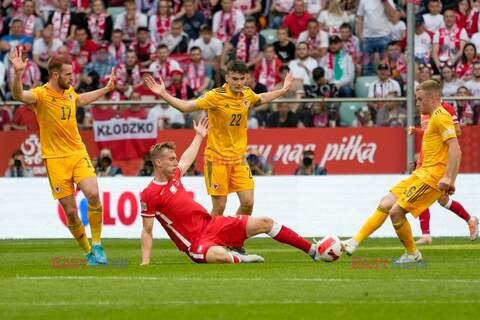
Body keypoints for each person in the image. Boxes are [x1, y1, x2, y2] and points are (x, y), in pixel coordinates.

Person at [143, 60, 293, 251]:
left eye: (242, 78)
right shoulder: (215, 96)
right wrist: (164, 94)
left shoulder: (247, 93)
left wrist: (283, 89)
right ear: (227, 78)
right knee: (219, 207)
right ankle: (208, 243)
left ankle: (235, 241)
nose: (239, 83)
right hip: (216, 159)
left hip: (238, 159)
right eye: (235, 79)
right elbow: (185, 107)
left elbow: (261, 98)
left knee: (248, 203)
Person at [140, 118, 325, 264]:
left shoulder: (175, 176)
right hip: (195, 243)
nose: (175, 161)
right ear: (158, 163)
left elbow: (187, 159)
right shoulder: (149, 194)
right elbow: (147, 231)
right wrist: (145, 263)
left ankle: (313, 251)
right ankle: (239, 258)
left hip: (212, 225)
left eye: (175, 158)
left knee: (265, 222)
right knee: (219, 255)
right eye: (171, 159)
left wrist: (199, 136)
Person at [9, 47, 112, 265]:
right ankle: (88, 253)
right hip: (55, 159)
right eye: (68, 74)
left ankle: (98, 244)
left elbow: (80, 100)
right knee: (71, 211)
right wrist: (18, 73)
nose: (71, 77)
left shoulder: (69, 92)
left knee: (93, 193)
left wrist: (105, 89)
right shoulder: (40, 95)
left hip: (77, 152)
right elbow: (18, 95)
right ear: (55, 75)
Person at [343, 80, 462, 262]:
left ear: (431, 98)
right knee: (386, 202)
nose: (417, 103)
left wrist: (448, 178)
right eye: (416, 99)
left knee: (396, 212)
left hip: (431, 177)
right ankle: (353, 241)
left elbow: (455, 149)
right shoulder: (433, 117)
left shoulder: (441, 116)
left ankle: (413, 254)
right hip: (421, 173)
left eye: (420, 99)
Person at [408, 100, 479, 244]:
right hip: (426, 158)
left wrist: (451, 178)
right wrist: (418, 131)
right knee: (434, 198)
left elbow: (457, 132)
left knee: (430, 196)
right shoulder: (425, 110)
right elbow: (430, 134)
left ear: (432, 94)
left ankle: (427, 234)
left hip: (439, 160)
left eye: (422, 97)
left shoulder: (446, 108)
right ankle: (427, 234)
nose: (419, 101)